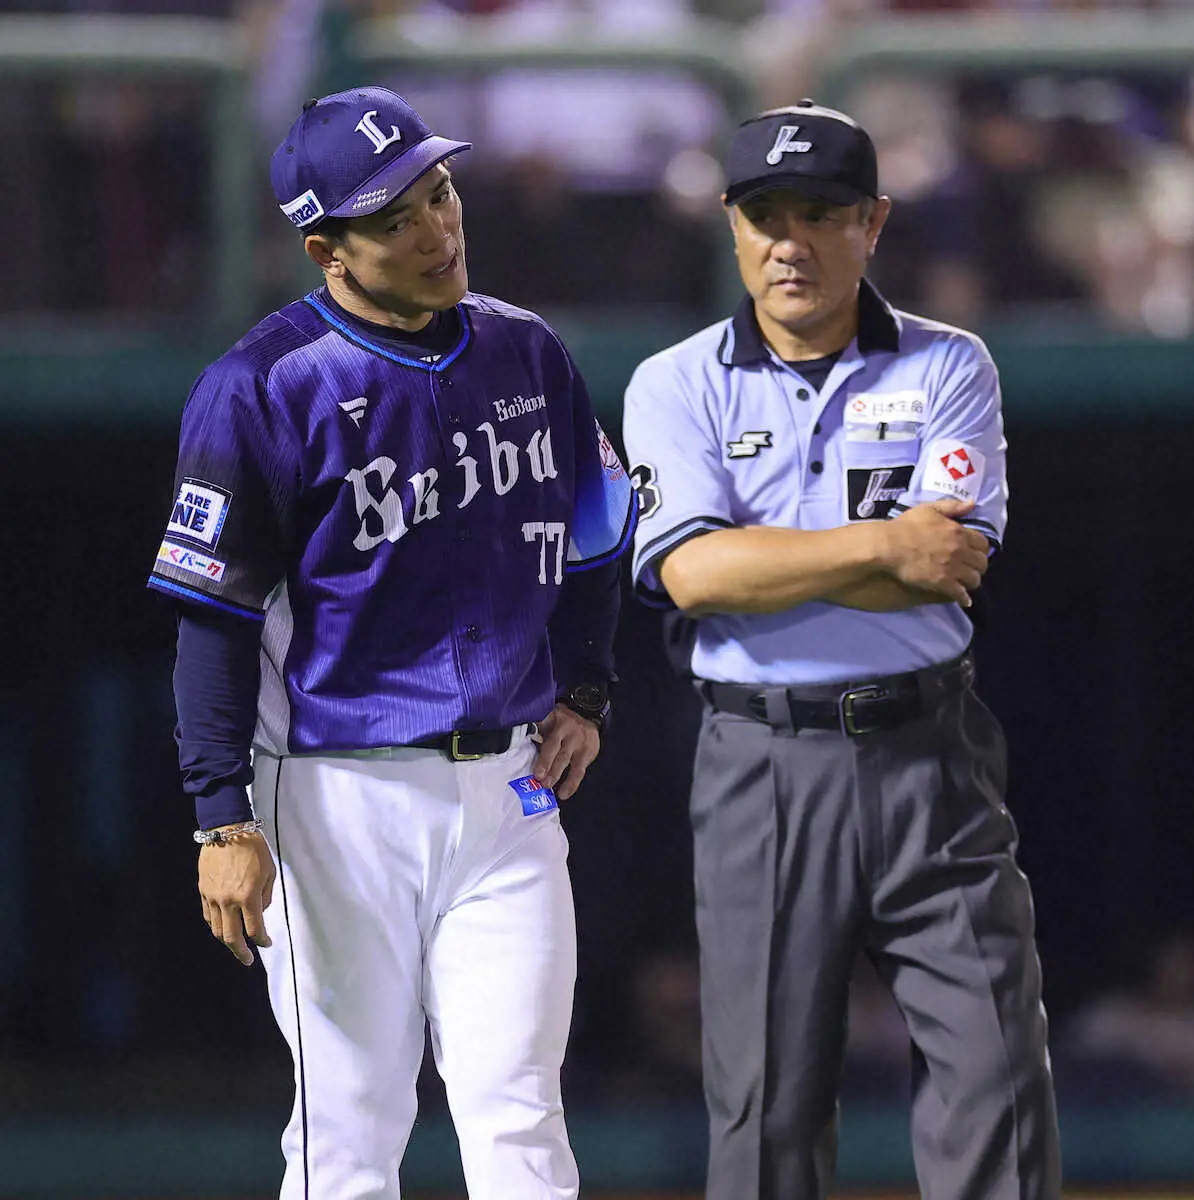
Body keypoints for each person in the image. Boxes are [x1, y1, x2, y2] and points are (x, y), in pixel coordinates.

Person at [147, 84, 634, 1199]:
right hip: (334, 800)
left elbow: (600, 533)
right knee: (350, 1129)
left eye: (441, 193)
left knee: (520, 1116)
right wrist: (220, 816)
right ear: (327, 250)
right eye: (395, 218)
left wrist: (588, 688)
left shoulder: (526, 350)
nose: (436, 230)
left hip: (508, 795)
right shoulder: (261, 386)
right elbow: (213, 619)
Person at [621, 100, 1061, 1200]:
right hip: (763, 760)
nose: (790, 242)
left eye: (819, 214)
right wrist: (880, 545)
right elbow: (693, 576)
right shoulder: (675, 380)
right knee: (765, 1112)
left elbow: (948, 561)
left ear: (873, 222)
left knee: (999, 1083)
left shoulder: (948, 364)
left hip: (932, 754)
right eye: (764, 215)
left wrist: (766, 555)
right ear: (732, 226)